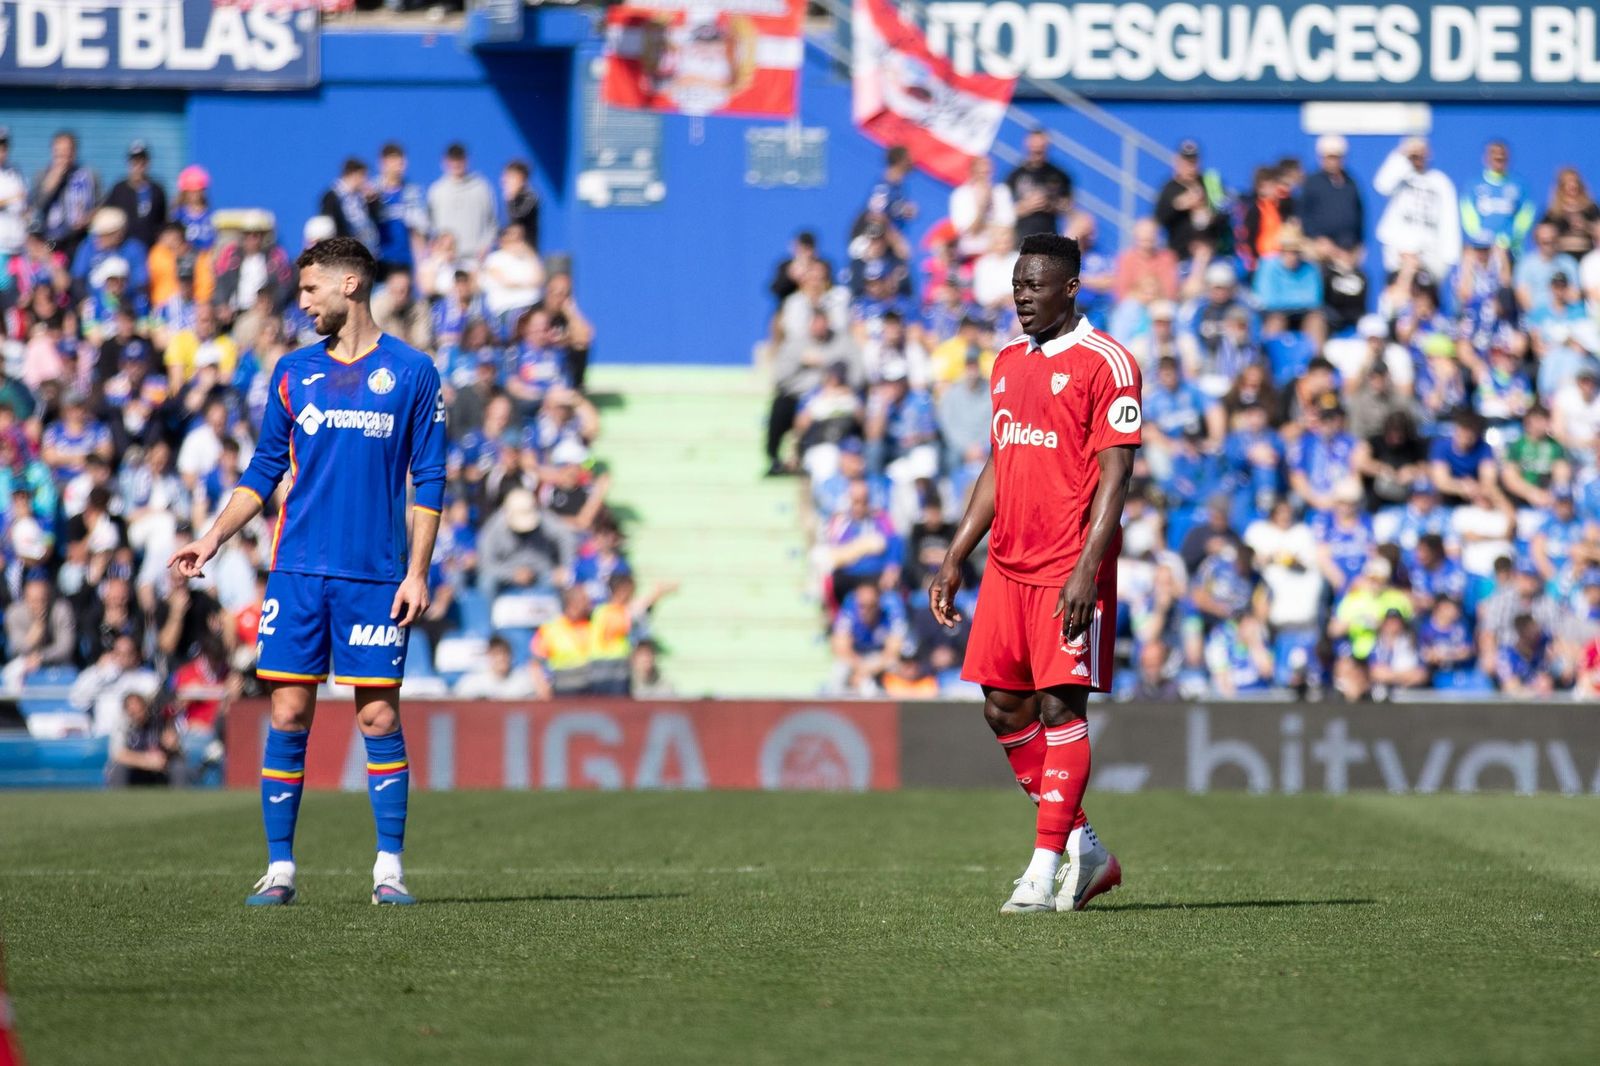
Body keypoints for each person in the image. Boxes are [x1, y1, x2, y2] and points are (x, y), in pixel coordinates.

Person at [169, 237, 447, 908]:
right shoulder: (293, 372)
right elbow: (264, 469)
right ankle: (281, 869)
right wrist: (210, 539)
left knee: (378, 716)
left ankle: (388, 869)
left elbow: (429, 478)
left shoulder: (413, 372)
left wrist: (417, 572)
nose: (302, 302)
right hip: (296, 573)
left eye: (310, 289)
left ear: (350, 286)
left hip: (376, 576)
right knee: (289, 709)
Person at [929, 232, 1141, 914]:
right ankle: (1088, 851)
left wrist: (1088, 568)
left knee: (1059, 706)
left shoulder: (1108, 362)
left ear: (1070, 287)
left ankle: (1042, 867)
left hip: (1066, 567)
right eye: (1017, 284)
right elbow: (1001, 461)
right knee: (1003, 708)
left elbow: (1118, 474)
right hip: (1007, 566)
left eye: (1034, 285)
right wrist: (958, 552)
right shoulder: (1007, 362)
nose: (1021, 295)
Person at [1374, 136, 1461, 281]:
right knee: (1396, 293)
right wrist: (1402, 154)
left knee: (1425, 296)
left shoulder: (1440, 181)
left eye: (1421, 154)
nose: (1418, 158)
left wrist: (1449, 257)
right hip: (1398, 248)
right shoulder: (1401, 176)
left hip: (1429, 251)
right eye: (1414, 155)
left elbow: (1449, 219)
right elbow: (1382, 185)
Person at [1154, 140, 1228, 260]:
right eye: (1186, 161)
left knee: (1221, 275)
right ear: (1177, 161)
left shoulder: (1211, 183)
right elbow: (1158, 219)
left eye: (1193, 161)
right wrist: (1179, 204)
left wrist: (1210, 216)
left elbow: (1225, 211)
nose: (1190, 166)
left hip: (1211, 252)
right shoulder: (1169, 188)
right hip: (1179, 254)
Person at [1460, 140, 1535, 254]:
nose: (1499, 156)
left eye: (1502, 154)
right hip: (1482, 250)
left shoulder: (1519, 185)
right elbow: (1468, 215)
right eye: (1494, 153)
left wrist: (1509, 238)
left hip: (1512, 250)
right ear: (1486, 157)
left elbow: (1526, 214)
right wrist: (1483, 239)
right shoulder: (1473, 185)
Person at [1299, 134, 1364, 262]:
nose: (1334, 161)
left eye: (1337, 157)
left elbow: (1359, 213)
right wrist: (1318, 239)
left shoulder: (1350, 183)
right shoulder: (1312, 182)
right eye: (1330, 157)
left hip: (1347, 249)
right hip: (1319, 248)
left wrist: (1358, 243)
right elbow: (1303, 214)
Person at [428, 143, 498, 261]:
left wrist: (486, 246)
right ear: (445, 162)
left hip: (476, 258)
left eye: (459, 159)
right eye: (452, 160)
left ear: (466, 160)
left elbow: (492, 222)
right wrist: (440, 250)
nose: (456, 164)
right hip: (447, 259)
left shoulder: (481, 188)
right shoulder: (437, 191)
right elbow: (431, 226)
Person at [1005, 129, 1072, 240]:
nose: (1037, 151)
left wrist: (1050, 205)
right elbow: (1003, 210)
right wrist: (1026, 206)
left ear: (1047, 146)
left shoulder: (1059, 175)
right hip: (1020, 238)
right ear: (1027, 145)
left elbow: (1068, 207)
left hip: (1048, 238)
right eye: (1034, 147)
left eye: (1041, 148)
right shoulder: (1014, 175)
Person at [103, 140, 168, 250]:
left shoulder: (157, 190)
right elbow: (107, 216)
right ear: (129, 164)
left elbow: (163, 221)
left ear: (147, 163)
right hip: (123, 248)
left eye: (142, 162)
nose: (138, 166)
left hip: (150, 247)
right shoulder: (119, 189)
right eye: (135, 162)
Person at [454, 634, 537, 698]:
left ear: (511, 656)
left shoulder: (523, 680)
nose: (501, 658)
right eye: (496, 654)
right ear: (488, 656)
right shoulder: (473, 681)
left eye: (505, 653)